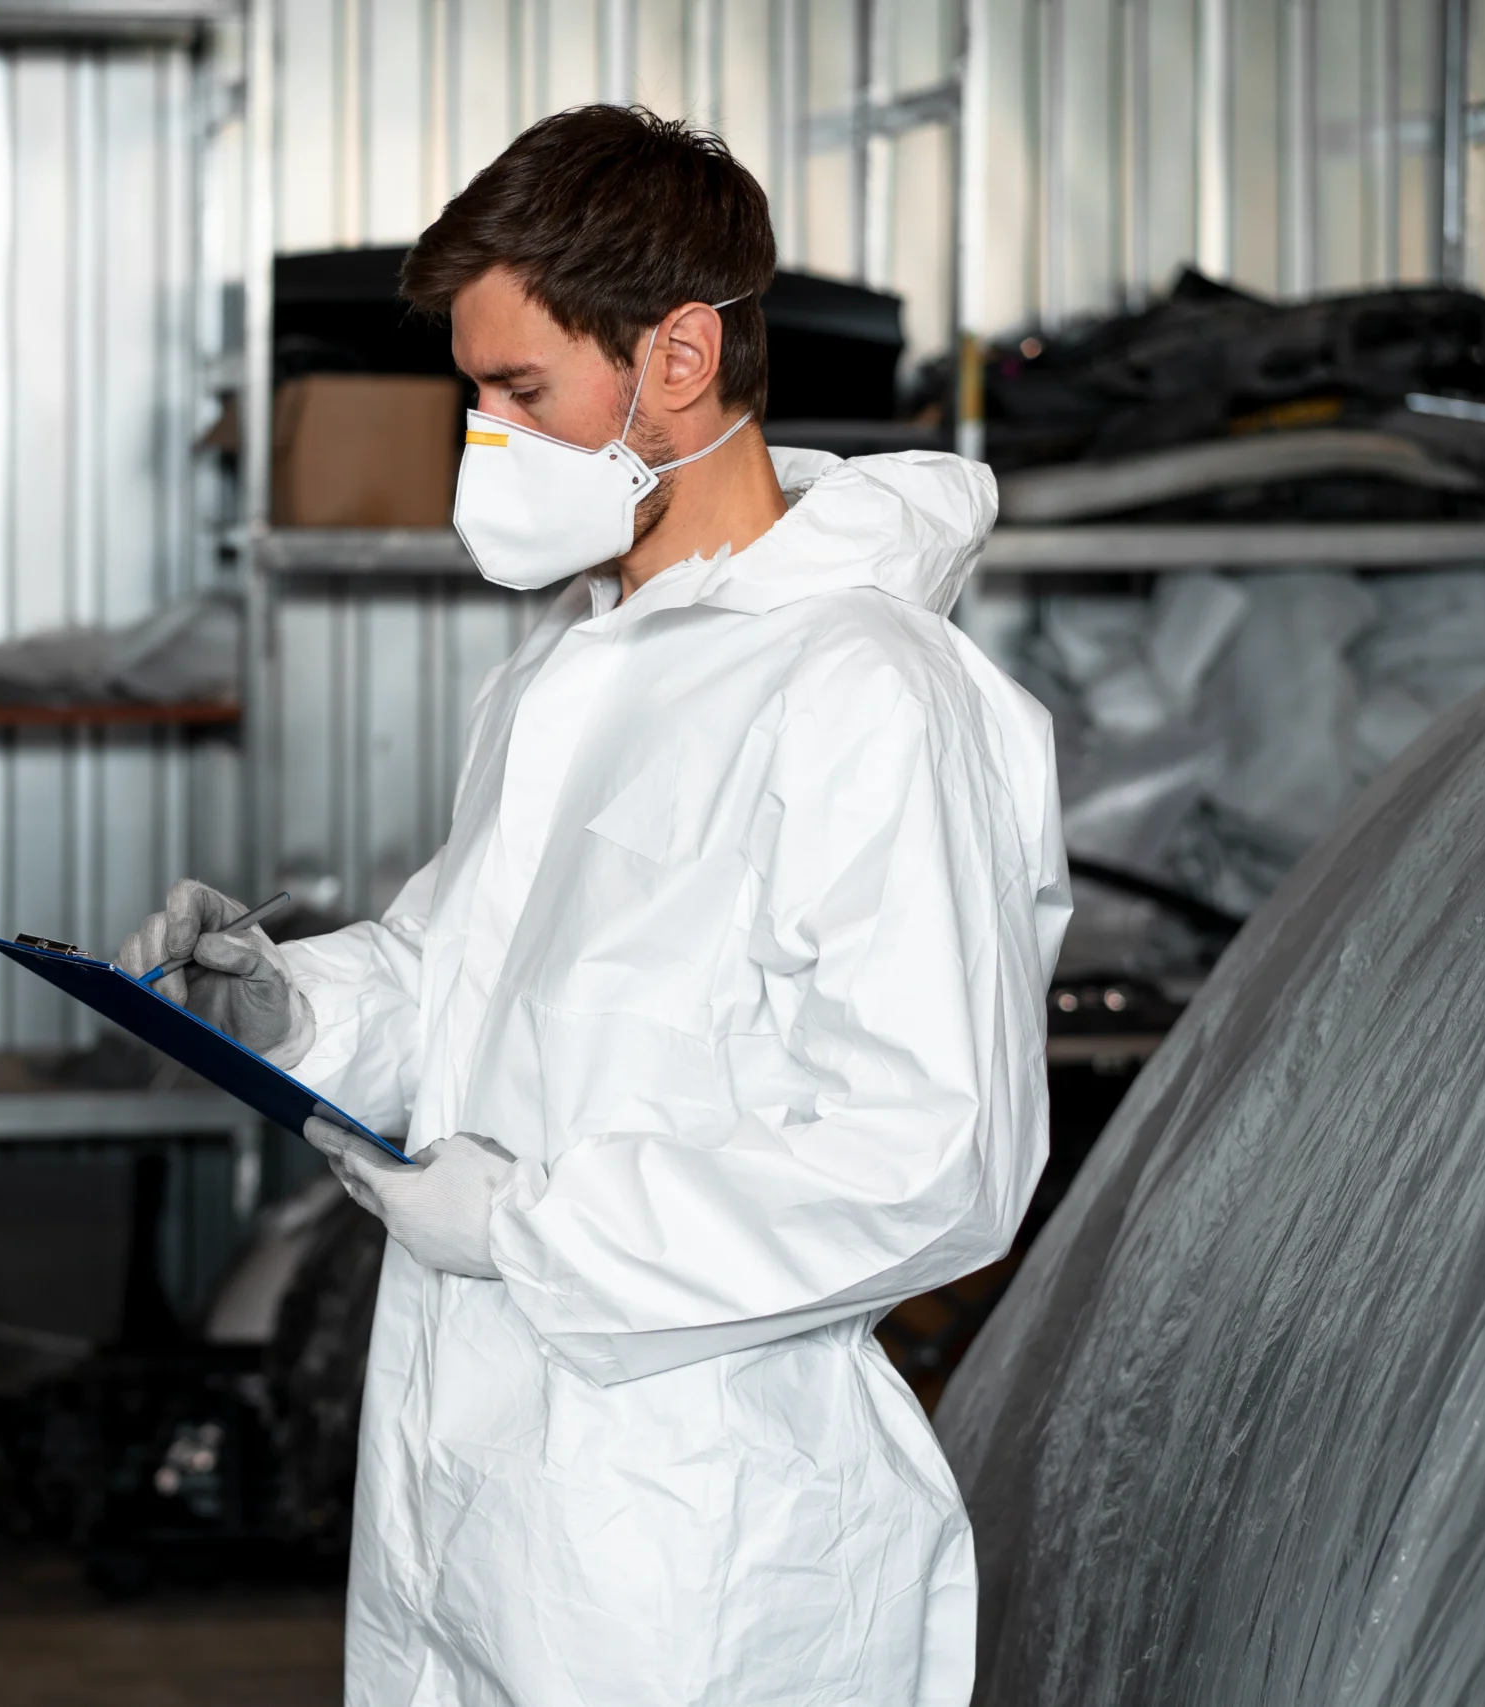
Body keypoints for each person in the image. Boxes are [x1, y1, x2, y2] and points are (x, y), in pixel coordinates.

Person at [120, 104, 1068, 1707]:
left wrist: (529, 1228)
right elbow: (458, 975)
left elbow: (933, 1155)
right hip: (469, 1488)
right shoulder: (573, 662)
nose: (485, 440)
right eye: (475, 396)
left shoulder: (866, 692)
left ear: (678, 356)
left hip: (698, 1545)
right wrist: (282, 1002)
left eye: (522, 391)